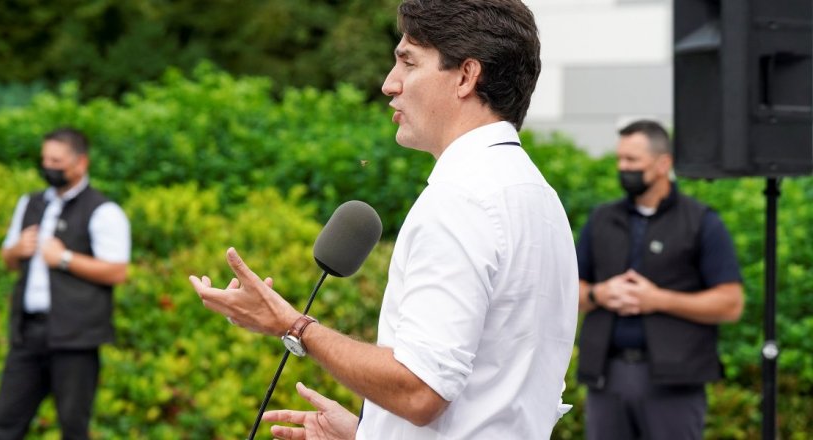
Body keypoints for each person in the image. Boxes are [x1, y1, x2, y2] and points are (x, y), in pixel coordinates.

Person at [189, 0, 578, 438]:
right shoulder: (538, 198)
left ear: (467, 76)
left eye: (408, 62)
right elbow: (493, 401)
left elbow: (420, 391)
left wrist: (291, 324)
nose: (389, 84)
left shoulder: (461, 199)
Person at [575, 120, 744, 440]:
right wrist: (599, 293)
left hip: (673, 383)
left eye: (632, 161)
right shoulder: (601, 219)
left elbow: (730, 303)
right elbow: (567, 292)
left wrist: (658, 300)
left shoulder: (701, 222)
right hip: (606, 378)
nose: (622, 168)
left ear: (663, 163)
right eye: (620, 159)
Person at [0, 128, 131, 439]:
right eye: (44, 159)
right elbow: (8, 259)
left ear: (80, 163)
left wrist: (65, 258)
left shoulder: (104, 211)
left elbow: (117, 271)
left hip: (76, 339)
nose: (48, 166)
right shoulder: (29, 203)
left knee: (73, 426)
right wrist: (16, 250)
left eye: (56, 160)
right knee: (5, 421)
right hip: (28, 333)